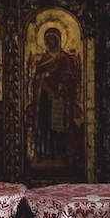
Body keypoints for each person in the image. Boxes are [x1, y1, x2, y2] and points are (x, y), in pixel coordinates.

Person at [28, 24, 81, 165]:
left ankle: (60, 153)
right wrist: (42, 78)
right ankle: (41, 152)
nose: (49, 43)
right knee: (44, 124)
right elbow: (36, 77)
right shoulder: (44, 58)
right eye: (47, 40)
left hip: (59, 97)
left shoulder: (64, 58)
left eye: (52, 40)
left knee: (58, 125)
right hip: (44, 97)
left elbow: (69, 76)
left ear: (58, 40)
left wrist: (62, 86)